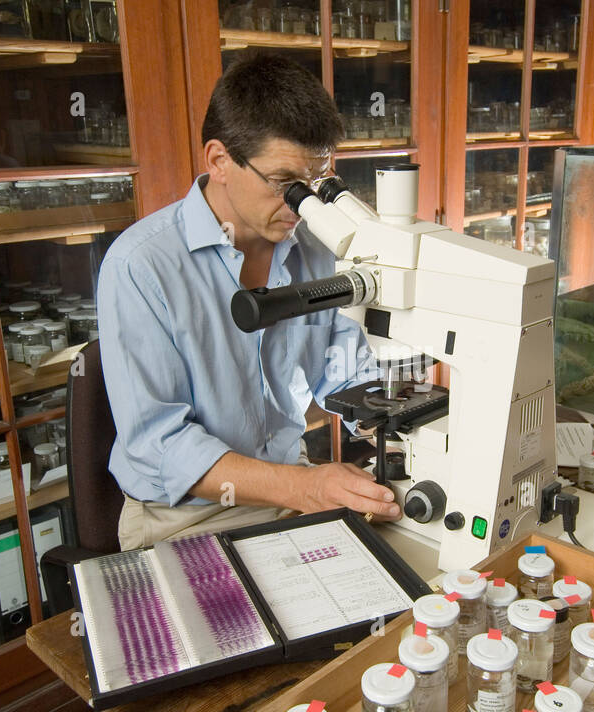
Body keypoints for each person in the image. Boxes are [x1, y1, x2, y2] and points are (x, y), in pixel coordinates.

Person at [98, 53, 402, 550]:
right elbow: (161, 446)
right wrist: (306, 487)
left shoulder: (316, 247)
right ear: (219, 161)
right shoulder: (141, 265)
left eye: (315, 185)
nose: (300, 206)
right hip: (185, 517)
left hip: (289, 491)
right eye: (285, 185)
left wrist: (404, 425)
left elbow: (343, 373)